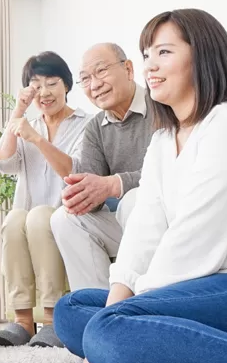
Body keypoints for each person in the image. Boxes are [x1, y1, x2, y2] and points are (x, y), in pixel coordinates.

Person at [54, 8, 227, 363]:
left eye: (164, 52)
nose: (150, 66)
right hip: (199, 291)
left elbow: (196, 237)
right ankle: (163, 344)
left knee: (107, 330)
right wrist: (118, 308)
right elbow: (144, 232)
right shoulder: (163, 141)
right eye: (147, 55)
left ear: (203, 56)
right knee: (71, 310)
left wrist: (124, 316)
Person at [0, 52, 88, 348]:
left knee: (41, 216)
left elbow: (73, 170)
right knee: (15, 218)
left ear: (66, 85)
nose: (44, 92)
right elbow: (4, 162)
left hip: (68, 215)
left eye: (52, 83)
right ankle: (22, 321)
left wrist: (36, 139)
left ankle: (54, 320)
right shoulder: (27, 123)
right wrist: (18, 111)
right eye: (36, 85)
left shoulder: (87, 124)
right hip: (30, 218)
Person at [49, 42, 154, 291]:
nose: (95, 85)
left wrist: (114, 184)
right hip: (128, 227)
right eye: (85, 79)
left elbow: (171, 171)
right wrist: (80, 194)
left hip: (167, 221)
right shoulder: (95, 127)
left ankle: (143, 303)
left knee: (134, 200)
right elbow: (92, 198)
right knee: (64, 218)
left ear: (128, 69)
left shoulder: (161, 105)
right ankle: (96, 308)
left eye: (101, 71)